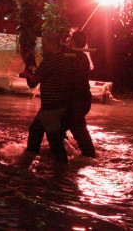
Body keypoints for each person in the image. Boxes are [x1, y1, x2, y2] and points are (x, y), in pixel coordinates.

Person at [21, 32, 71, 164]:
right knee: (35, 130)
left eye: (45, 45)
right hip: (58, 105)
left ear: (54, 45)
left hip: (50, 108)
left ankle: (62, 173)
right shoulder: (64, 59)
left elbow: (33, 83)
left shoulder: (49, 61)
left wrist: (27, 71)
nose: (43, 48)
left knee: (54, 141)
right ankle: (29, 159)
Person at [63, 30, 96, 158]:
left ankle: (88, 156)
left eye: (70, 40)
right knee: (73, 128)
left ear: (74, 42)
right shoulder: (80, 57)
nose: (68, 42)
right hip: (81, 100)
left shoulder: (75, 57)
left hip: (76, 101)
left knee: (78, 129)